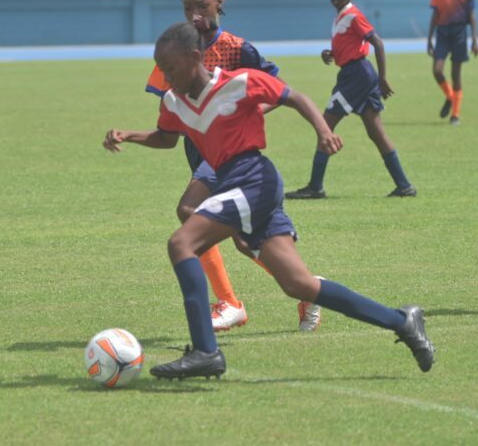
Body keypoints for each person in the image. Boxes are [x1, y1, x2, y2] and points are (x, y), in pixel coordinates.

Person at [104, 22, 434, 379]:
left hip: (254, 179)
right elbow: (167, 137)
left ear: (196, 57)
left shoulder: (240, 82)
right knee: (299, 285)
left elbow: (294, 97)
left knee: (182, 242)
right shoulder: (174, 101)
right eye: (161, 70)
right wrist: (129, 135)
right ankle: (401, 320)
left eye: (170, 69)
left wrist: (324, 131)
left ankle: (205, 350)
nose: (165, 78)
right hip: (234, 184)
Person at [144, 0, 324, 332]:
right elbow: (169, 111)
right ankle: (306, 287)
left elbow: (272, 89)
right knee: (244, 241)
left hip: (227, 157)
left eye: (202, 6)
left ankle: (230, 302)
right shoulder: (178, 50)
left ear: (220, 1)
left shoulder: (238, 49)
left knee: (187, 211)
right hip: (201, 154)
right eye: (187, 8)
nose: (195, 14)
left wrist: (245, 113)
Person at [286, 0, 416, 200]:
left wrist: (383, 78)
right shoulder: (340, 18)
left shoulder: (354, 15)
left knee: (325, 126)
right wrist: (331, 53)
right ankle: (404, 186)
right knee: (376, 133)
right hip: (356, 73)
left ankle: (315, 186)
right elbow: (349, 47)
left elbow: (378, 43)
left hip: (356, 76)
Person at [427, 0, 478, 126]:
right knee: (437, 70)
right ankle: (450, 97)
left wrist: (474, 39)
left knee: (455, 73)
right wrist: (429, 39)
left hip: (459, 33)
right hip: (442, 33)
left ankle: (455, 114)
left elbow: (471, 14)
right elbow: (435, 14)